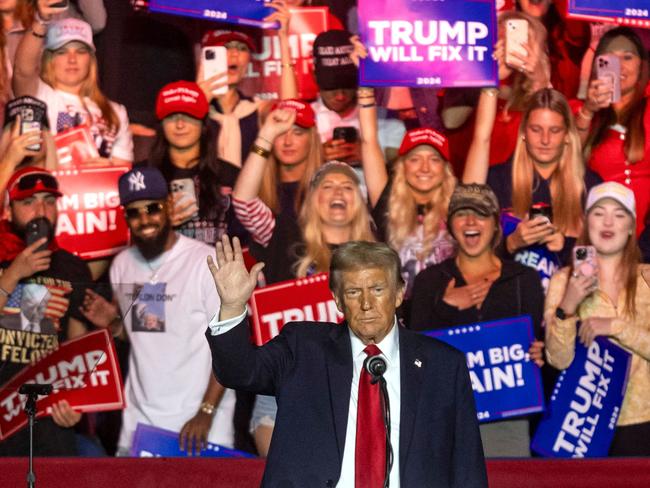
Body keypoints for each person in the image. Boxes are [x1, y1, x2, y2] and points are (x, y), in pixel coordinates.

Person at [206, 236, 487, 487]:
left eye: (377, 290)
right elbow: (238, 371)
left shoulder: (443, 365)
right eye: (353, 292)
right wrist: (232, 307)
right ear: (338, 300)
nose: (366, 303)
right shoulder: (303, 348)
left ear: (399, 294)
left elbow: (467, 467)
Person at [79, 167, 236, 455]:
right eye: (134, 212)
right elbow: (152, 329)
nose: (145, 220)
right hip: (140, 426)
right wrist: (114, 325)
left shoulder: (206, 261)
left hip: (200, 426)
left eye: (152, 208)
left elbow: (230, 345)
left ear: (169, 206)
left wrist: (207, 411)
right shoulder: (123, 264)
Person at [410, 183, 545, 457]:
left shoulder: (524, 279)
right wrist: (446, 306)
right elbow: (415, 359)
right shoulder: (429, 282)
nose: (471, 221)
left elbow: (538, 349)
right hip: (446, 420)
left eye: (481, 214)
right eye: (462, 213)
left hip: (507, 422)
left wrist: (543, 355)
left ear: (496, 224)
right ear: (450, 224)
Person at [545, 181, 650, 456]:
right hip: (585, 424)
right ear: (585, 221)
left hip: (642, 421)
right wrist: (568, 305)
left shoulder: (647, 279)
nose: (608, 222)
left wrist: (617, 327)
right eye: (599, 212)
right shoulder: (562, 280)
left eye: (619, 215)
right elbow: (558, 359)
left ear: (631, 227)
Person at [464, 87, 602, 284]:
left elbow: (602, 261)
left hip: (567, 306)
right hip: (509, 303)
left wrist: (565, 247)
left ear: (566, 135)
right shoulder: (498, 179)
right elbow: (469, 252)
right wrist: (511, 244)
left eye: (554, 130)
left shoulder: (590, 186)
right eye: (536, 130)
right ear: (523, 133)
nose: (545, 140)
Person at [0, 166, 91, 456]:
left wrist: (77, 402)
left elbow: (79, 349)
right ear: (8, 210)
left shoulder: (72, 266)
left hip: (50, 417)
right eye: (28, 202)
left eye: (49, 201)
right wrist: (13, 275)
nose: (41, 210)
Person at [358, 88, 456, 301]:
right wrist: (365, 83)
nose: (424, 167)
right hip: (402, 320)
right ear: (403, 167)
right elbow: (368, 140)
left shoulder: (459, 207)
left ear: (445, 169)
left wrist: (489, 88)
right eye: (414, 159)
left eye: (434, 159)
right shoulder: (388, 203)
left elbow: (482, 140)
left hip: (449, 316)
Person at [12, 4, 133, 165]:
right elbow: (22, 70)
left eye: (80, 51)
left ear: (91, 60)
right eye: (62, 52)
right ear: (49, 60)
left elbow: (124, 174)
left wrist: (108, 168)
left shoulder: (116, 113)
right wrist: (40, 20)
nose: (72, 59)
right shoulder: (38, 96)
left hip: (95, 188)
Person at [142, 80, 242, 245]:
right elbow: (129, 243)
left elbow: (248, 237)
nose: (180, 124)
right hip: (164, 268)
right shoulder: (142, 178)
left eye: (188, 116)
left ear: (203, 124)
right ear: (161, 125)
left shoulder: (229, 174)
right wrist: (161, 225)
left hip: (219, 268)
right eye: (171, 116)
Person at [576, 27, 650, 235]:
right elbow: (569, 159)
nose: (619, 66)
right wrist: (588, 110)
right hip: (602, 233)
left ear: (642, 65)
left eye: (627, 57)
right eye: (610, 58)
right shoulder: (582, 112)